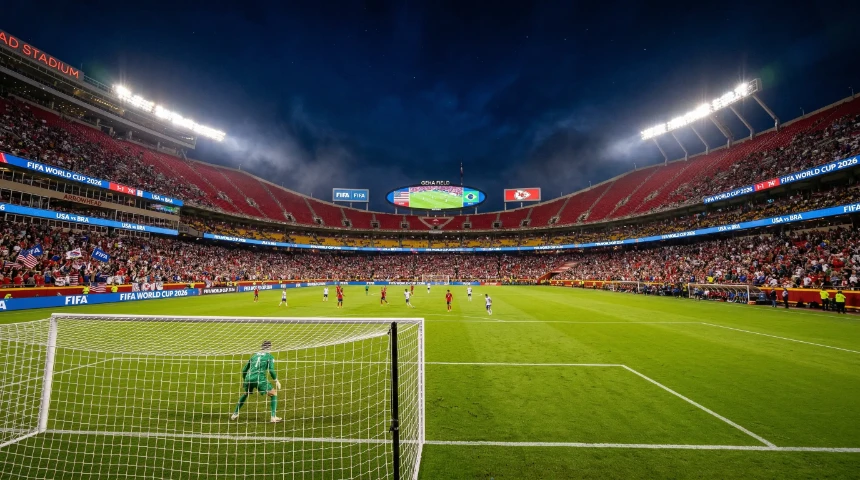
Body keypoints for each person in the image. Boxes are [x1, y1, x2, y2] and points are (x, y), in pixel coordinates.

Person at [231, 340, 282, 423]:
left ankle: (235, 413)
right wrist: (276, 380)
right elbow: (271, 370)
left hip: (248, 377)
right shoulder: (269, 356)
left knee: (245, 394)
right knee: (273, 393)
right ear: (269, 347)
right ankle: (273, 417)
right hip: (259, 378)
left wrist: (245, 380)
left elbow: (244, 370)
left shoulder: (254, 356)